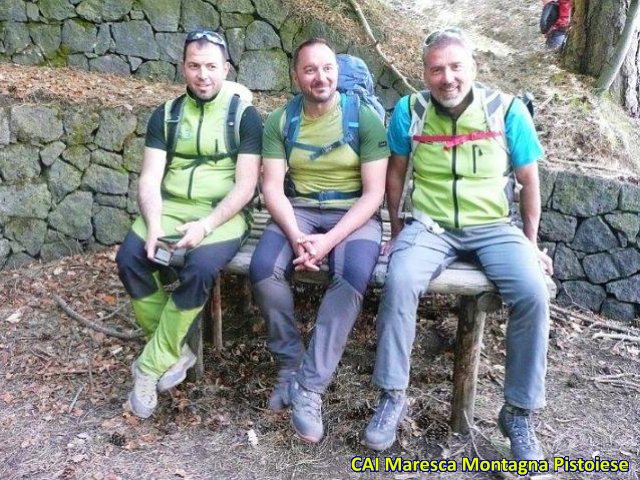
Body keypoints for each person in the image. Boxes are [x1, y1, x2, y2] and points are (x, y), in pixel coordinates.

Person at [361, 27, 553, 461]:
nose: (447, 78)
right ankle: (393, 395)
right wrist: (394, 231)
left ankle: (518, 413)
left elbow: (528, 181)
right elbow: (395, 175)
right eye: (436, 70)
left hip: (492, 225)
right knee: (400, 281)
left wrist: (530, 243)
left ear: (473, 68)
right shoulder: (409, 111)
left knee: (533, 293)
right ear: (424, 74)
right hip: (430, 226)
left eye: (455, 67)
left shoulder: (506, 112)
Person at [116, 30, 262, 419]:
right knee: (130, 258)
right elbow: (149, 178)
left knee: (199, 267)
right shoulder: (166, 114)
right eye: (195, 66)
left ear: (225, 69)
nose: (203, 75)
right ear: (183, 67)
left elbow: (246, 185)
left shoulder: (244, 116)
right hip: (171, 208)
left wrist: (206, 225)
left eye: (211, 66)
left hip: (223, 215)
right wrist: (154, 222)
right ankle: (176, 351)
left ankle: (148, 366)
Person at [249, 38, 389, 443]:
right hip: (301, 210)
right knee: (263, 270)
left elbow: (373, 194)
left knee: (352, 278)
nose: (320, 77)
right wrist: (296, 236)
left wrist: (326, 242)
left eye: (327, 68)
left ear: (337, 73)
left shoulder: (364, 120)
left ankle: (310, 389)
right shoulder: (281, 120)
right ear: (297, 76)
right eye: (310, 70)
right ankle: (289, 364)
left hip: (353, 215)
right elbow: (273, 187)